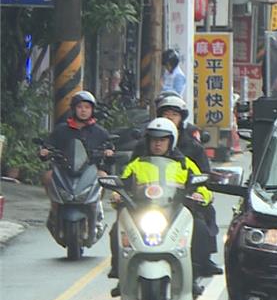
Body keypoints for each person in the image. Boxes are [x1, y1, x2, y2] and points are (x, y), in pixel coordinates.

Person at [109, 118, 218, 289]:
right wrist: (116, 194)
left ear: (171, 141)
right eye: (154, 140)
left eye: (162, 140)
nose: (157, 144)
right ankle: (119, 271)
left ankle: (195, 273)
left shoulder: (185, 165)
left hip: (176, 211)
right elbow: (123, 182)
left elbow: (203, 186)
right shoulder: (137, 164)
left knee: (200, 229)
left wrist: (200, 194)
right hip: (142, 211)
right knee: (117, 229)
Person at [38, 90, 114, 222]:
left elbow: (110, 147)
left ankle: (96, 208)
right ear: (73, 109)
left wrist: (109, 152)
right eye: (79, 107)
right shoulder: (62, 129)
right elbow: (48, 144)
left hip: (90, 169)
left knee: (103, 177)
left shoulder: (100, 132)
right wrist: (44, 151)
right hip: (64, 169)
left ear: (92, 110)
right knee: (47, 176)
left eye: (87, 107)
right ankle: (55, 207)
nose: (83, 111)